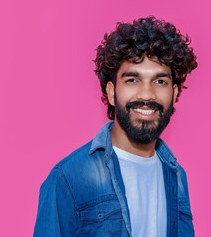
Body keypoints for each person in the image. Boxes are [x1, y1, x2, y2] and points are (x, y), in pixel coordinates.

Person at [33, 16, 198, 237]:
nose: (147, 94)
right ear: (111, 92)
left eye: (160, 81)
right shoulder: (69, 178)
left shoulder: (177, 177)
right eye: (132, 79)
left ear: (175, 93)